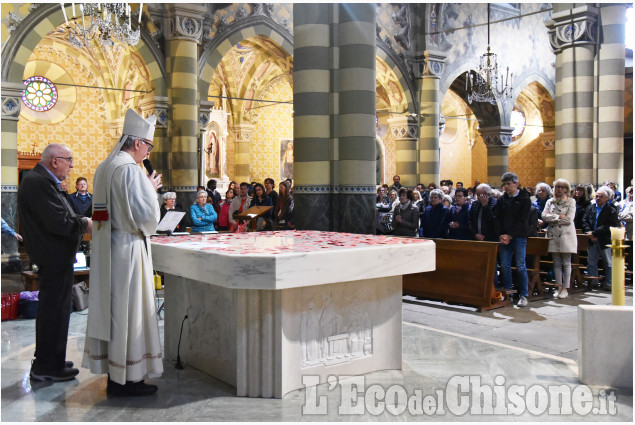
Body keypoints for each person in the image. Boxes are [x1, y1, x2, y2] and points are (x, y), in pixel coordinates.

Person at [83, 109, 163, 397]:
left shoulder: (106, 165)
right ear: (138, 142)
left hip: (108, 248)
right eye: (148, 145)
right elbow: (145, 216)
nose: (148, 151)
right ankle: (129, 377)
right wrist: (152, 190)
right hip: (129, 249)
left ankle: (115, 374)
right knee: (130, 311)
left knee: (115, 311)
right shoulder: (130, 169)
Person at [18, 143, 92, 381]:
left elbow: (62, 216)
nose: (71, 166)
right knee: (54, 311)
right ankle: (46, 367)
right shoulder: (38, 182)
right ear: (55, 161)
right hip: (52, 256)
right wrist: (85, 224)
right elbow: (59, 222)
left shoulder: (42, 180)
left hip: (55, 255)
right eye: (69, 160)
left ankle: (52, 359)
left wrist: (78, 220)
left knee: (58, 310)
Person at [494, 172, 531, 307]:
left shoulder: (524, 198)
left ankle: (523, 295)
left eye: (509, 184)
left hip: (518, 236)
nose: (506, 187)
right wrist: (501, 234)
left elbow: (522, 220)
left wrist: (510, 235)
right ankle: (508, 293)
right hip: (504, 237)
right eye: (504, 184)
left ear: (516, 183)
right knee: (504, 265)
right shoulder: (502, 199)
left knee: (521, 266)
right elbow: (497, 218)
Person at [541, 179, 577, 299]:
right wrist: (558, 217)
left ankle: (565, 288)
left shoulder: (571, 202)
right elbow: (544, 216)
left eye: (562, 187)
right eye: (557, 187)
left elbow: (569, 219)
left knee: (566, 263)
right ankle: (559, 286)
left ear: (566, 189)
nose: (559, 189)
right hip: (553, 235)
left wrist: (553, 219)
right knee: (556, 263)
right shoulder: (550, 201)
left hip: (566, 235)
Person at [582, 186, 620, 291]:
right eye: (597, 196)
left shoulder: (611, 210)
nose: (598, 198)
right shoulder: (591, 207)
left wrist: (594, 233)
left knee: (608, 262)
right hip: (592, 239)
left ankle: (609, 283)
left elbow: (609, 225)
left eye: (601, 197)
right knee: (591, 261)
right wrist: (589, 232)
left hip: (605, 239)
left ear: (607, 198)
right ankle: (593, 282)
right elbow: (585, 220)